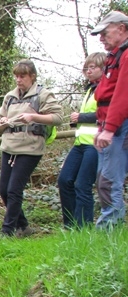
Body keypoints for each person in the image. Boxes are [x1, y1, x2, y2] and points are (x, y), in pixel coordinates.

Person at [0, 59, 64, 237]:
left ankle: (8, 230)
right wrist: (2, 122)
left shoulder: (42, 94)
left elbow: (57, 117)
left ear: (32, 77)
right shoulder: (10, 97)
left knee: (14, 190)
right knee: (4, 189)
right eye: (16, 76)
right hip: (9, 147)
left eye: (22, 76)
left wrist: (34, 117)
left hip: (30, 149)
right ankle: (24, 226)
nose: (19, 80)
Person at [58, 52, 106, 228]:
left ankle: (83, 227)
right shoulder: (89, 90)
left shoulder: (106, 89)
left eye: (92, 67)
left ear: (103, 68)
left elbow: (106, 113)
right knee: (65, 180)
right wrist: (76, 119)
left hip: (94, 144)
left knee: (83, 185)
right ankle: (70, 225)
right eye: (86, 67)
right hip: (80, 144)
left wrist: (81, 117)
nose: (88, 71)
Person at [91, 11, 128, 228]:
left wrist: (110, 128)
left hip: (121, 127)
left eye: (105, 33)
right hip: (111, 126)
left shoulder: (125, 55)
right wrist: (101, 126)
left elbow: (122, 95)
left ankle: (110, 228)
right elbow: (105, 96)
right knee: (104, 180)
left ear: (121, 29)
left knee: (109, 180)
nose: (101, 38)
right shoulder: (114, 56)